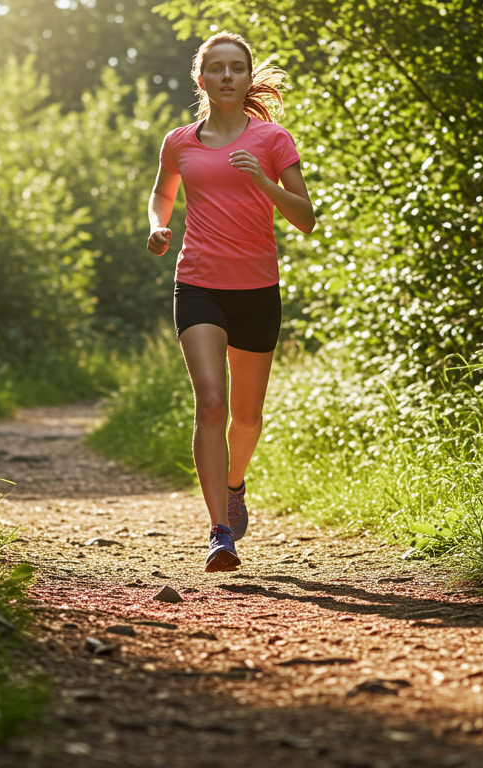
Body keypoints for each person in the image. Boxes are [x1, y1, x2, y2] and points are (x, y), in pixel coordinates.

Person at [145, 32, 315, 572]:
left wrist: (263, 181)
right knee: (212, 406)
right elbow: (161, 193)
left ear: (246, 78)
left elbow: (306, 219)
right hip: (198, 284)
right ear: (201, 79)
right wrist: (157, 225)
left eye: (236, 68)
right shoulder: (179, 141)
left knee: (247, 418)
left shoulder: (272, 139)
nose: (226, 76)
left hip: (257, 290)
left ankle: (236, 484)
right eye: (215, 68)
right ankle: (220, 531)